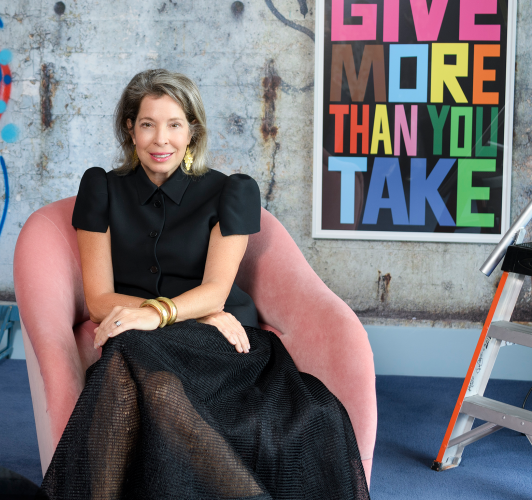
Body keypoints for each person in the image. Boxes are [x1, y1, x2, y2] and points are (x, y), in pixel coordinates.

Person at [40, 69, 370, 500]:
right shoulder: (100, 188)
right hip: (171, 329)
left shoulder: (231, 192)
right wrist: (185, 311)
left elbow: (216, 291)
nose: (162, 139)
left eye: (175, 124)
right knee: (140, 362)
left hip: (222, 342)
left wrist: (183, 312)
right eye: (147, 124)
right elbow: (101, 300)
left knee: (126, 347)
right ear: (129, 128)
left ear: (192, 130)